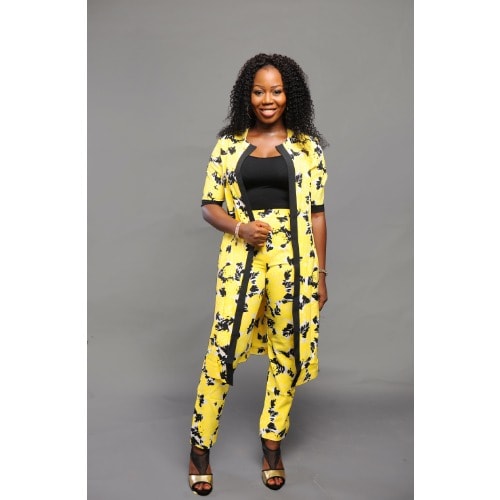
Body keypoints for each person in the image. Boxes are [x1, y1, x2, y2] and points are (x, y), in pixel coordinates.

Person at [188, 53, 329, 495]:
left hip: (297, 262)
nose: (268, 99)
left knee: (288, 351)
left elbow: (318, 214)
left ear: (290, 95)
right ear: (247, 95)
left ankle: (272, 445)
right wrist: (239, 227)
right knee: (223, 350)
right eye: (259, 91)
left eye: (277, 91)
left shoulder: (307, 147)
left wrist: (322, 275)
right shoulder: (228, 145)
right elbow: (209, 205)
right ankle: (199, 446)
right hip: (241, 258)